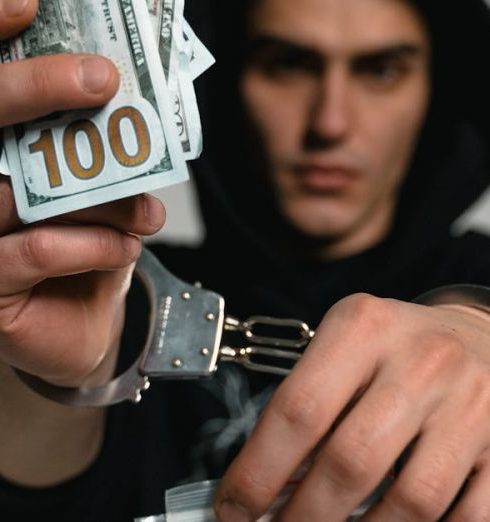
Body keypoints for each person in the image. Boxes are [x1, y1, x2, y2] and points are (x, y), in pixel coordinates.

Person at [2, 0, 490, 521]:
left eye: (381, 70)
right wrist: (49, 375)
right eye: (288, 65)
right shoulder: (116, 283)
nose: (331, 122)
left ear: (435, 91)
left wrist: (472, 324)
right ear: (226, 77)